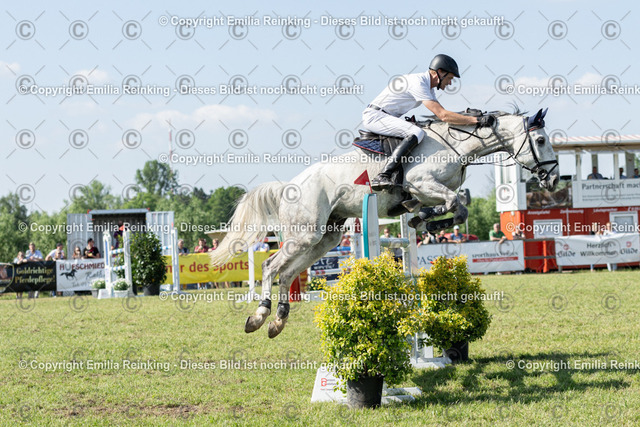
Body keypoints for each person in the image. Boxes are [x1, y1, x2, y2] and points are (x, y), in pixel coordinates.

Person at [363, 54, 495, 191]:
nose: (450, 83)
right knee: (416, 132)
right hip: (375, 117)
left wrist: (466, 114)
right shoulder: (418, 83)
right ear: (440, 72)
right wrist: (476, 121)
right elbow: (443, 115)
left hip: (384, 116)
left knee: (422, 130)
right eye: (450, 78)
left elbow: (441, 114)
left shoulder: (428, 87)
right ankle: (383, 175)